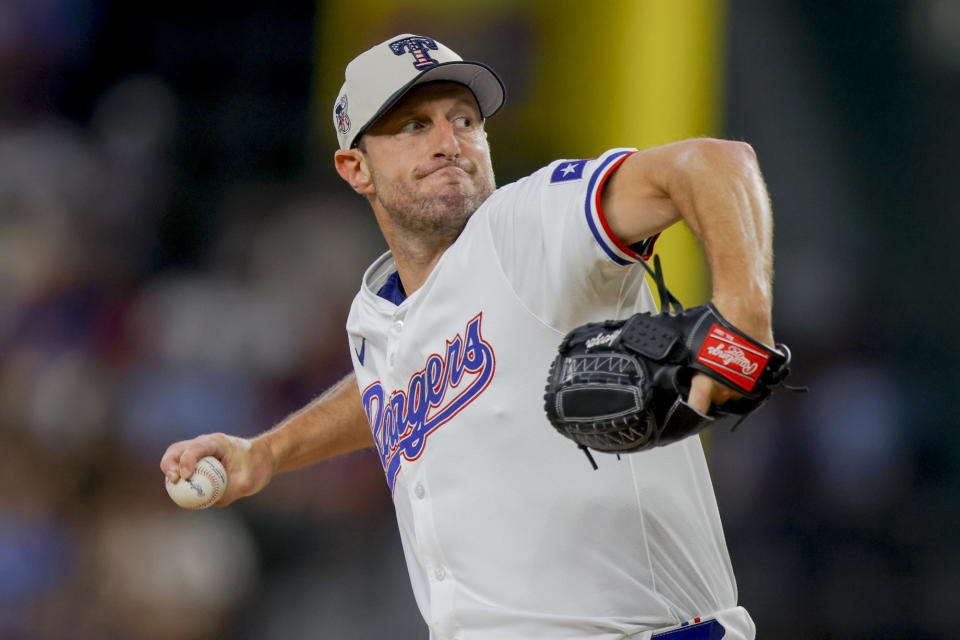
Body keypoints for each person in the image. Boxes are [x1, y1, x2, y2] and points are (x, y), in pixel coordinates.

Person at [161, 33, 776, 640]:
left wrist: (742, 320)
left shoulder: (527, 227)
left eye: (463, 119)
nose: (447, 142)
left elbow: (715, 163)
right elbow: (391, 387)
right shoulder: (377, 318)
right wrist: (265, 453)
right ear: (355, 167)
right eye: (412, 126)